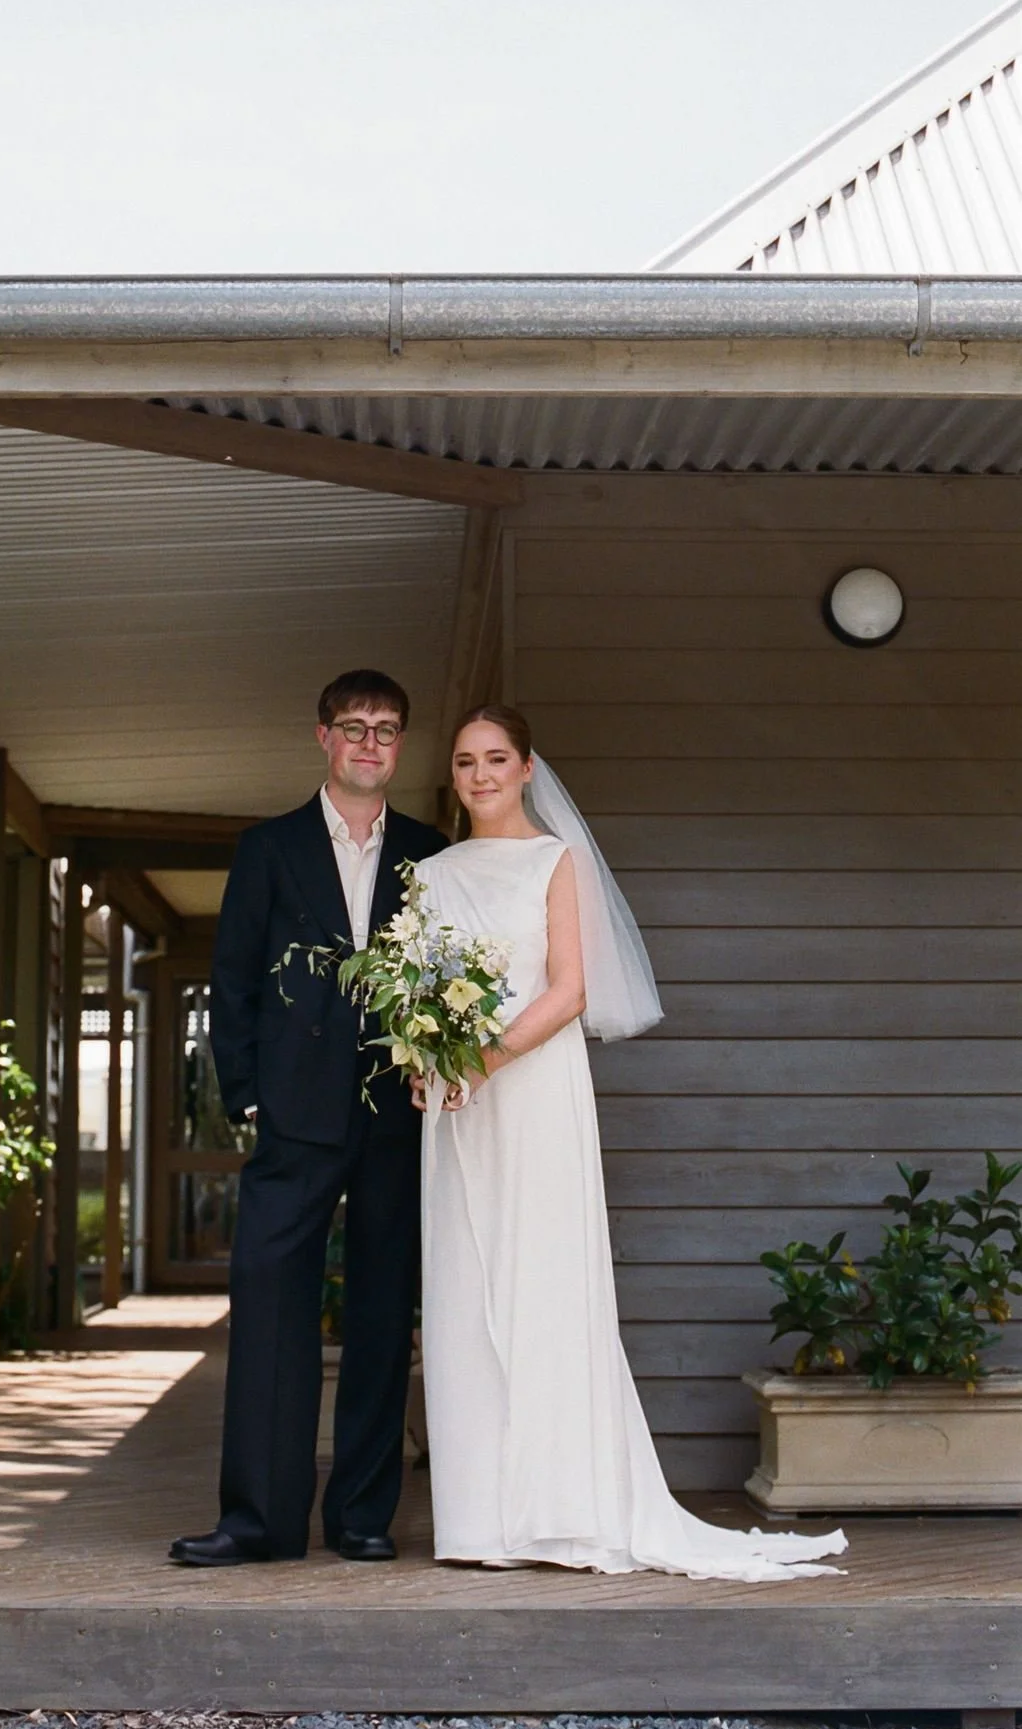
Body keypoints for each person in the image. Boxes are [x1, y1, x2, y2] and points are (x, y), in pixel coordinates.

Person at [413, 704, 848, 1581]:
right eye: (465, 761)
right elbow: (416, 988)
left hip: (531, 1091)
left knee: (544, 1281)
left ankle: (563, 1510)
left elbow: (571, 989)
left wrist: (485, 1059)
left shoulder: (556, 861)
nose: (481, 774)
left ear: (528, 767)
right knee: (464, 1284)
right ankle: (481, 1521)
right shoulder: (431, 873)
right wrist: (426, 1059)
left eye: (497, 758)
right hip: (456, 1105)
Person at [169, 670, 448, 1567]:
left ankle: (363, 1515)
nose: (371, 743)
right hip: (293, 1113)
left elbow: (448, 977)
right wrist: (245, 1091)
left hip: (395, 1115)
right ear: (323, 737)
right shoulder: (269, 847)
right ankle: (259, 1521)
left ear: (400, 745)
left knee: (379, 1315)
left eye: (388, 729)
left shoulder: (431, 854)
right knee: (269, 1308)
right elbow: (234, 981)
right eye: (355, 727)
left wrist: (435, 1071)